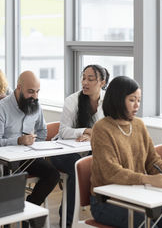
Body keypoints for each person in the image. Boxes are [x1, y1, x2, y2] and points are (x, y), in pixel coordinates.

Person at [90, 76, 162, 228]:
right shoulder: (101, 128)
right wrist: (149, 179)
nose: (137, 105)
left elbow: (152, 160)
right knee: (149, 226)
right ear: (118, 99)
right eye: (132, 100)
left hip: (138, 195)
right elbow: (111, 172)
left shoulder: (138, 125)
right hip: (107, 201)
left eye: (139, 100)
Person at [0, 70, 59, 227]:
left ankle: (29, 210)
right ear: (19, 88)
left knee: (52, 174)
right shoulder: (0, 108)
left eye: (38, 91)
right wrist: (18, 141)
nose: (35, 96)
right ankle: (7, 222)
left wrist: (35, 145)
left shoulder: (35, 106)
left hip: (27, 157)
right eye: (31, 91)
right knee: (12, 183)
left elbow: (42, 131)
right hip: (3, 161)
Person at [50, 64, 109, 227]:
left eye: (91, 79)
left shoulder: (108, 101)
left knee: (102, 165)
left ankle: (103, 213)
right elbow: (63, 132)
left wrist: (91, 135)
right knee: (77, 168)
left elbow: (107, 131)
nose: (85, 82)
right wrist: (86, 130)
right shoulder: (72, 100)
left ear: (102, 83)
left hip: (88, 149)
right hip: (60, 149)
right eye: (83, 78)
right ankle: (67, 221)